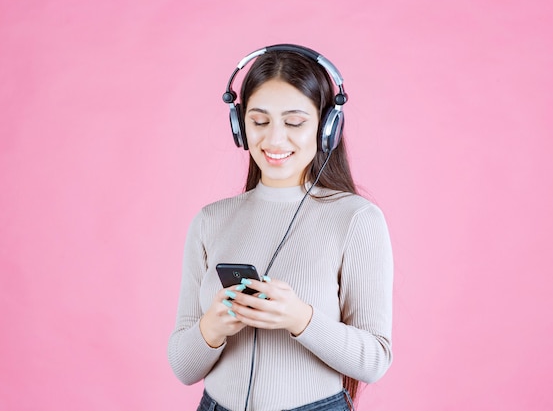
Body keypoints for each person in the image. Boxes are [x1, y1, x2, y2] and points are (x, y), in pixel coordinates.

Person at [168, 44, 393, 411]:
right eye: (259, 121)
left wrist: (300, 319)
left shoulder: (356, 219)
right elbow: (183, 367)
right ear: (240, 126)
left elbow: (375, 360)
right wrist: (213, 326)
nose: (273, 140)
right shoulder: (210, 220)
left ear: (327, 127)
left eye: (293, 122)